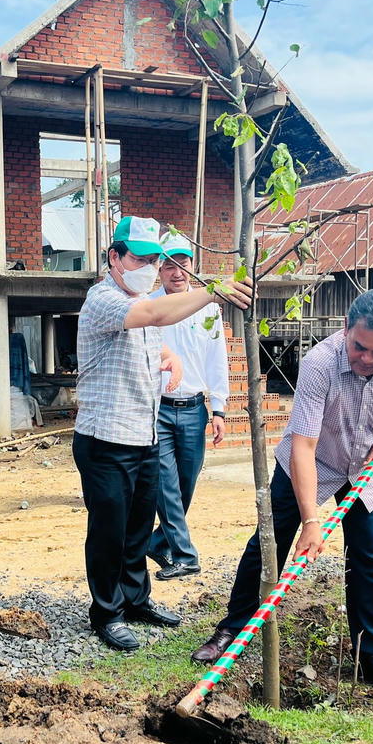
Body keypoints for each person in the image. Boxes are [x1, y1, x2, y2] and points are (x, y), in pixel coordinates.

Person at [191, 288, 373, 696]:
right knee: (272, 540)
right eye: (359, 347)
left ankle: (372, 653)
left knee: (369, 554)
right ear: (346, 330)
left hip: (368, 465)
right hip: (312, 459)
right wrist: (311, 521)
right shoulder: (321, 363)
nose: (367, 359)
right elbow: (303, 445)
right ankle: (232, 628)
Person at [74, 215, 253, 651]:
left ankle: (136, 600)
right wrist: (209, 291)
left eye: (155, 260)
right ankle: (107, 612)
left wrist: (170, 357)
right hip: (106, 439)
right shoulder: (104, 299)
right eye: (140, 258)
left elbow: (157, 337)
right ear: (114, 258)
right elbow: (152, 313)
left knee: (137, 528)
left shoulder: (138, 304)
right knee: (109, 531)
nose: (149, 267)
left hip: (144, 436)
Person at [146, 231, 229, 581]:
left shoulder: (208, 308)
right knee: (165, 483)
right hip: (159, 409)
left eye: (183, 263)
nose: (176, 271)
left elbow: (217, 360)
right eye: (169, 264)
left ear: (193, 267)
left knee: (185, 485)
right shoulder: (148, 306)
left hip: (195, 409)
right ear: (159, 269)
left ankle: (156, 544)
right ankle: (185, 554)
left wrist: (219, 409)